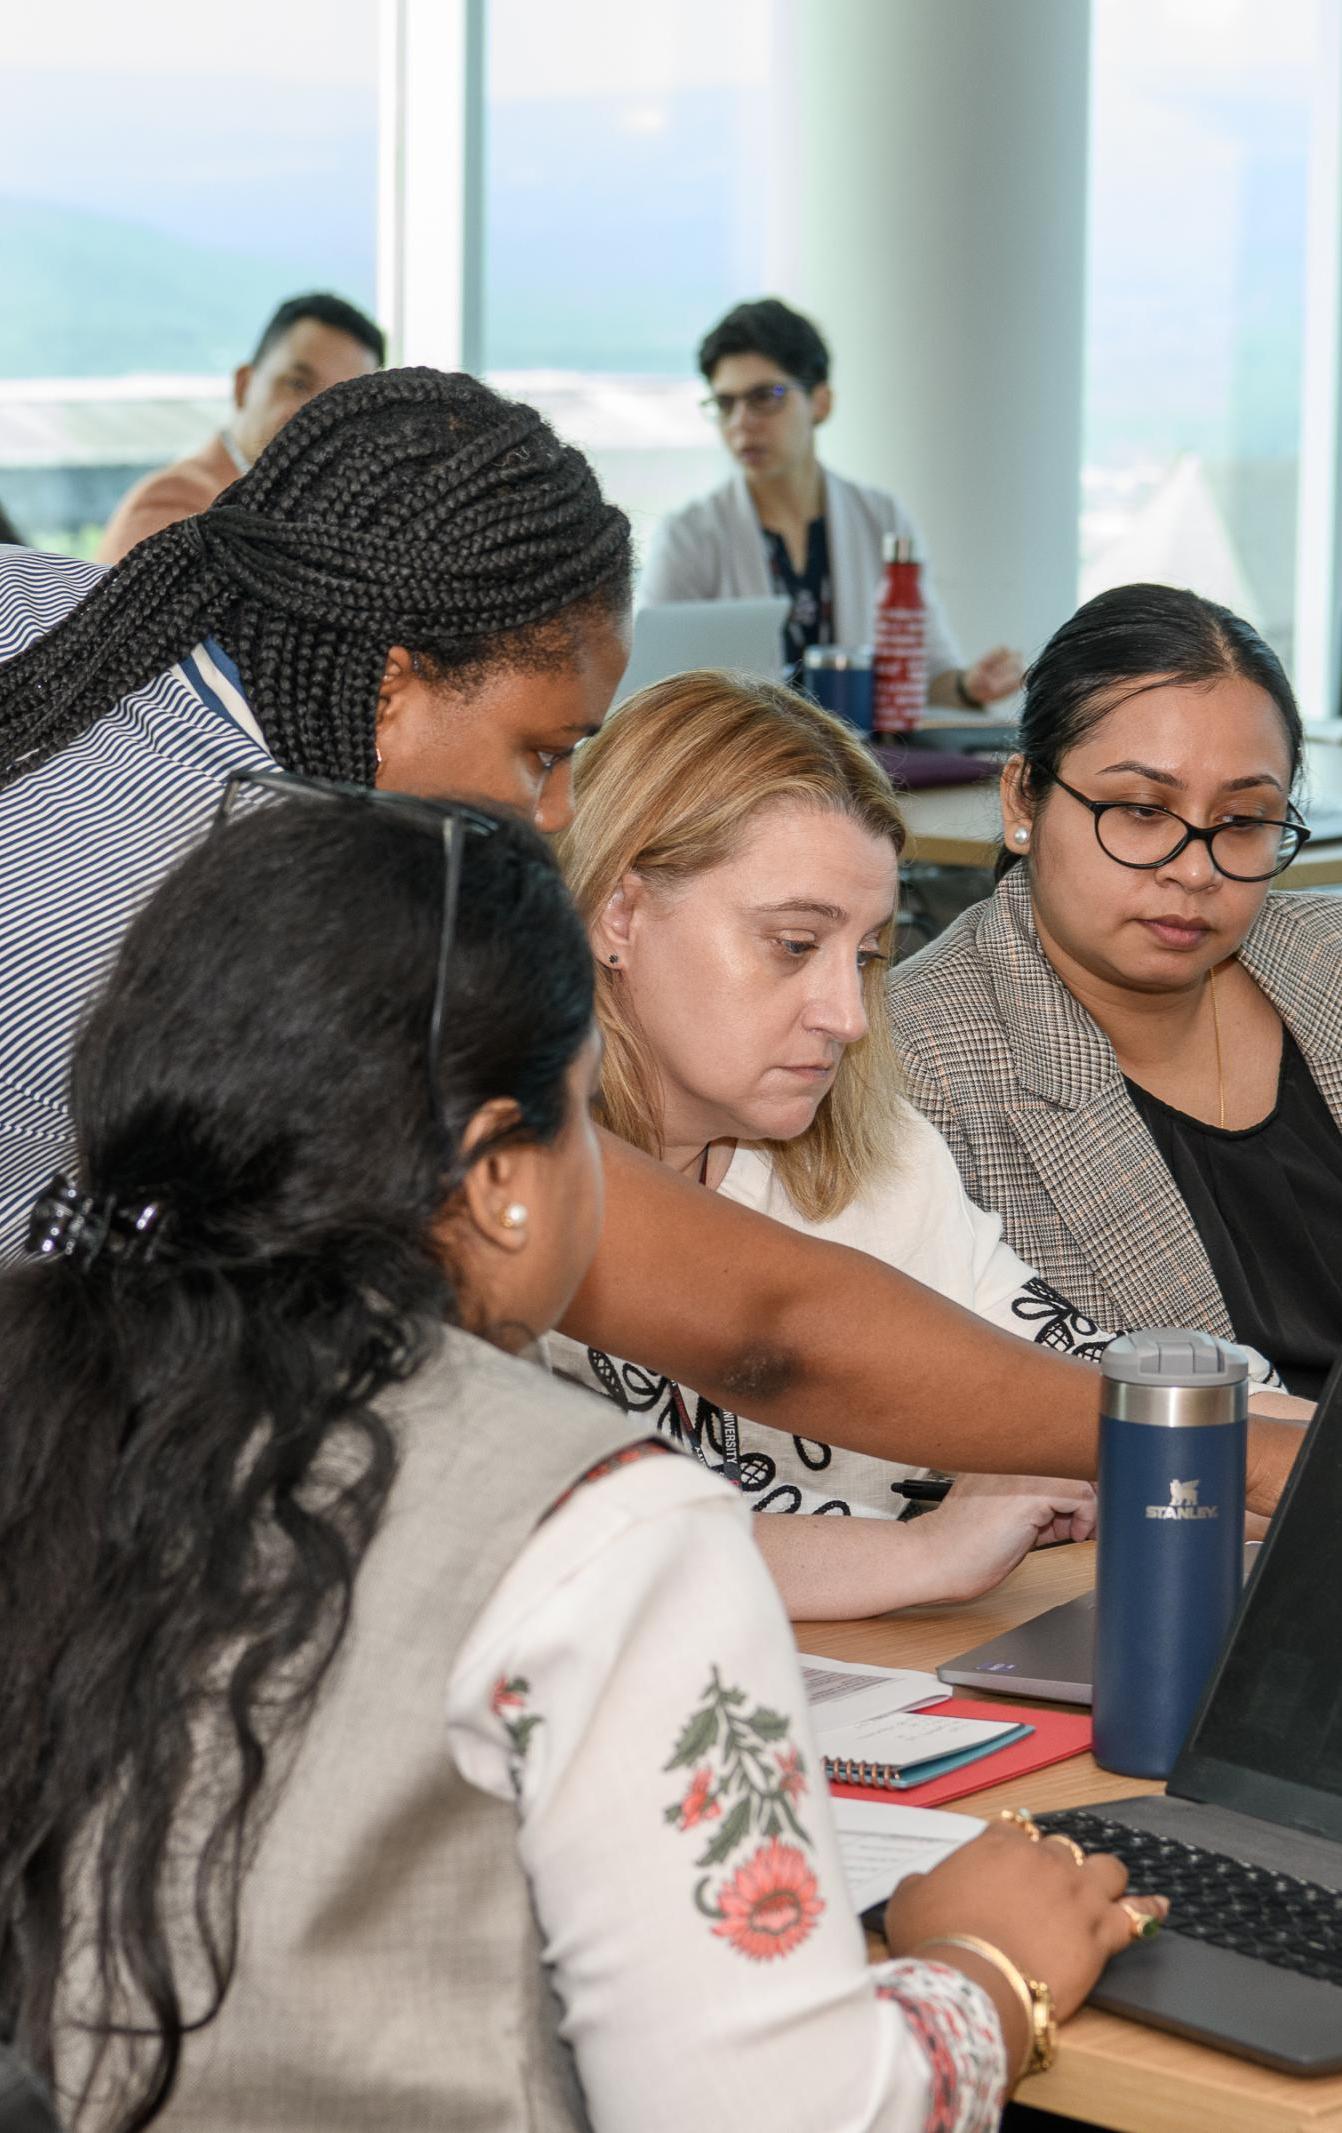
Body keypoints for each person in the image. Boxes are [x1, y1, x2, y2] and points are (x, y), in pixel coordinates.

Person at [0, 791, 1165, 2130]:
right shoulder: (596, 1521)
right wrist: (986, 1969)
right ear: (503, 1173)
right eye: (576, 1117)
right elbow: (773, 2112)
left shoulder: (52, 1397)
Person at [0, 372, 1305, 1509]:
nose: (557, 810)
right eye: (541, 751)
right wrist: (1221, 1455)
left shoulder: (48, 614)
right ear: (393, 677)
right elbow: (761, 1325)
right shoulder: (275, 928)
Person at [559, 670, 1112, 1617]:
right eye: (791, 944)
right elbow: (550, 1546)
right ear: (621, 912)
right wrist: (931, 1554)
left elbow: (1068, 1375)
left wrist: (1275, 1442)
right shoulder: (494, 1183)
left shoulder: (875, 1149)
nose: (849, 1016)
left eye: (864, 955)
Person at [890, 583, 1342, 1400]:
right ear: (1023, 799)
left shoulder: (1330, 963)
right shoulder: (917, 1065)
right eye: (1140, 809)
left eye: (1243, 822)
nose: (1196, 869)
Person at [639, 297, 1023, 700]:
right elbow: (654, 694)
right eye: (725, 403)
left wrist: (969, 686)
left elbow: (926, 675)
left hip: (864, 760)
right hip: (739, 761)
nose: (741, 423)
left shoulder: (882, 519)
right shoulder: (688, 536)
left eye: (764, 397)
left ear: (821, 402)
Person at [95, 292, 385, 564]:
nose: (320, 415)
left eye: (345, 402)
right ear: (244, 385)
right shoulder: (173, 508)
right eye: (297, 384)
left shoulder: (319, 519)